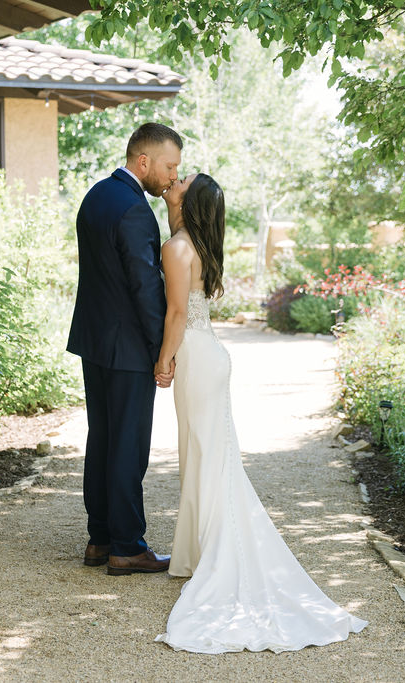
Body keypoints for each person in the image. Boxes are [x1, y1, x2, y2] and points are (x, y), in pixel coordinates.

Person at [153, 173, 369, 653]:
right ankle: (196, 551)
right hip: (210, 355)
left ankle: (208, 554)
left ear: (188, 203)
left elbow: (175, 314)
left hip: (193, 356)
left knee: (206, 454)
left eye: (180, 180)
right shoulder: (199, 245)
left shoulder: (176, 248)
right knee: (208, 453)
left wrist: (164, 359)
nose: (174, 178)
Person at [67, 123, 181, 576]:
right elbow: (145, 291)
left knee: (103, 440)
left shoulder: (96, 195)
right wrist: (163, 352)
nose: (174, 176)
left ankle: (99, 538)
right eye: (170, 166)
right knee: (128, 447)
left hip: (94, 343)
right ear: (144, 162)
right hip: (129, 349)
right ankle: (128, 546)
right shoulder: (136, 210)